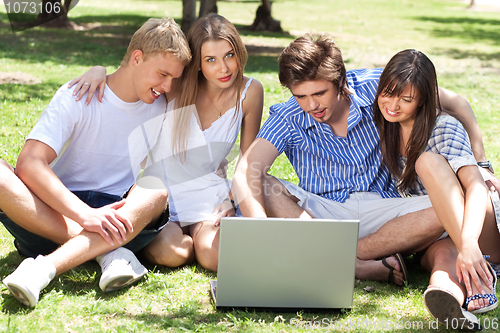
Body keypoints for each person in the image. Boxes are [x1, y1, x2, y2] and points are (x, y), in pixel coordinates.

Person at [232, 34, 499, 286]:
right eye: (300, 96)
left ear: (341, 82)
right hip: (321, 215)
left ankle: (339, 257)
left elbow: (457, 102)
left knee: (454, 203)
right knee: (263, 183)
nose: (311, 105)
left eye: (319, 93)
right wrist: (261, 231)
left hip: (386, 211)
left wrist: (482, 163)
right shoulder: (289, 116)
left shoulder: (380, 90)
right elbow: (247, 169)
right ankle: (355, 264)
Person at [0, 17, 191, 307]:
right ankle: (107, 252)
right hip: (52, 214)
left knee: (156, 189)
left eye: (173, 79)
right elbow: (29, 163)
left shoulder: (161, 105)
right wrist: (86, 216)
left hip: (119, 215)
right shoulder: (78, 95)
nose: (167, 86)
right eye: (163, 74)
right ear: (137, 58)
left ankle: (43, 269)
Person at [69, 14, 264, 272]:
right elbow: (135, 75)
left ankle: (198, 238)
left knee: (212, 256)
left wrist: (230, 199)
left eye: (229, 55)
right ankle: (159, 241)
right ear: (197, 64)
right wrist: (100, 71)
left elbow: (248, 160)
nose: (224, 68)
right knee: (175, 253)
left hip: (208, 194)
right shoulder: (176, 85)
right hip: (159, 195)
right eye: (211, 60)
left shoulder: (250, 92)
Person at [373, 49, 498, 324]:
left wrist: (467, 243)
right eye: (388, 93)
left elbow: (475, 186)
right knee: (441, 260)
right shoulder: (386, 127)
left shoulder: (442, 127)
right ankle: (449, 298)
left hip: (480, 225)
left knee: (427, 161)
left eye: (406, 99)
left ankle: (480, 273)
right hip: (438, 233)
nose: (393, 104)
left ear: (422, 100)